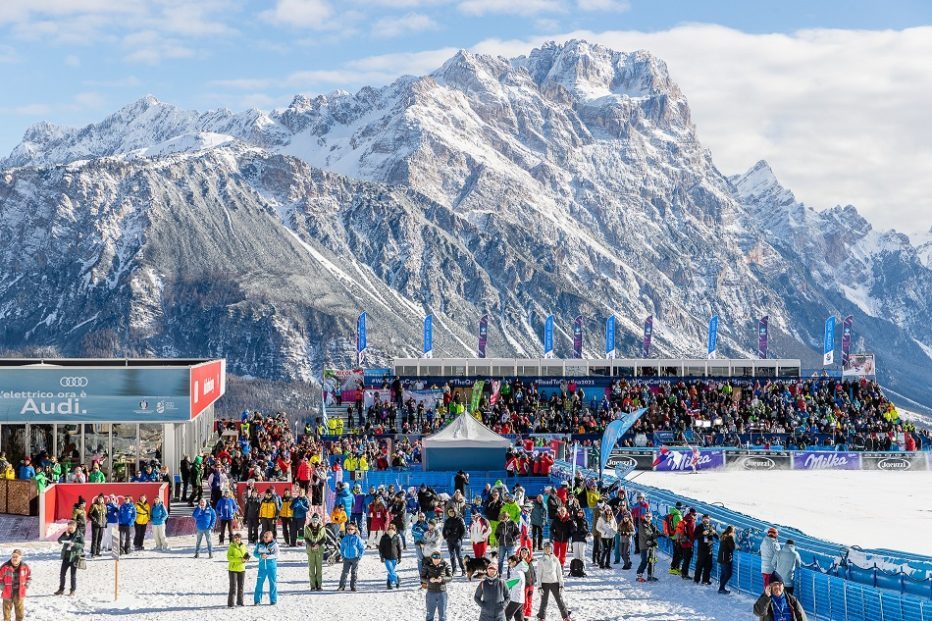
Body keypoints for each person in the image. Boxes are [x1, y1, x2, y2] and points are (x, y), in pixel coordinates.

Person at [536, 541, 570, 621]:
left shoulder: (555, 559)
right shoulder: (541, 560)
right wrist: (539, 586)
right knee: (544, 601)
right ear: (544, 549)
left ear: (551, 549)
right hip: (545, 583)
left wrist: (561, 584)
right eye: (546, 548)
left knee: (559, 600)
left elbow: (559, 573)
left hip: (555, 583)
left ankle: (565, 616)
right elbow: (539, 574)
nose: (547, 550)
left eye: (549, 548)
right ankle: (541, 617)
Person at [421, 550, 452, 621]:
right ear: (431, 558)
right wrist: (429, 580)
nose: (436, 561)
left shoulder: (445, 565)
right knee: (430, 614)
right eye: (434, 559)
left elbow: (450, 577)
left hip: (442, 592)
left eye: (438, 559)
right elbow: (422, 577)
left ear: (440, 558)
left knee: (442, 614)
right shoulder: (427, 565)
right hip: (431, 592)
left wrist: (442, 579)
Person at [55, 520, 83, 596]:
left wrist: (75, 544)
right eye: (69, 527)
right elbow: (59, 541)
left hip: (74, 557)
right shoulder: (66, 533)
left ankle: (72, 590)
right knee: (62, 574)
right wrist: (65, 535)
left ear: (75, 527)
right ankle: (61, 589)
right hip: (66, 557)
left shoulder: (79, 535)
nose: (70, 529)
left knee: (73, 575)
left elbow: (82, 545)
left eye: (71, 528)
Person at [0, 549, 30, 621]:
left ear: (20, 558)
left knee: (20, 613)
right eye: (13, 556)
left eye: (16, 557)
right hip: (7, 593)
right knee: (6, 614)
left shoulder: (25, 567)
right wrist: (2, 587)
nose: (14, 558)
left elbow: (28, 577)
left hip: (19, 593)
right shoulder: (5, 567)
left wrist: (26, 585)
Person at [338, 522, 366, 591]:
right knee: (344, 573)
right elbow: (342, 548)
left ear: (354, 530)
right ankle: (341, 586)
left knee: (354, 573)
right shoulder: (345, 538)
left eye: (351, 529)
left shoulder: (357, 538)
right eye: (348, 529)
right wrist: (343, 556)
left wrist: (359, 556)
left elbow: (361, 548)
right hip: (346, 558)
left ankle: (353, 586)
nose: (350, 530)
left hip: (355, 558)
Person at [254, 530, 279, 605]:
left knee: (273, 583)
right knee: (259, 584)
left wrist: (267, 556)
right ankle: (257, 600)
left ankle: (273, 600)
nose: (264, 538)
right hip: (262, 568)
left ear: (271, 537)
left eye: (266, 537)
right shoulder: (259, 544)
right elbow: (255, 553)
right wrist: (260, 556)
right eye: (264, 536)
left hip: (271, 567)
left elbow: (277, 555)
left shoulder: (274, 545)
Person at [693, 514, 719, 585]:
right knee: (699, 565)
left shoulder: (710, 527)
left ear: (709, 520)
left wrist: (715, 533)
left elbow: (717, 537)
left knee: (708, 566)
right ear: (702, 520)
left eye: (707, 519)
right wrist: (702, 533)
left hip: (709, 550)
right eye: (704, 519)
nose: (706, 520)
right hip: (702, 550)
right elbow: (694, 536)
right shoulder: (699, 527)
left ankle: (705, 580)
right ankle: (696, 579)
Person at [304, 513, 327, 590]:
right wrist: (311, 544)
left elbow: (324, 538)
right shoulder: (307, 528)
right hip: (311, 550)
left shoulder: (322, 528)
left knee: (319, 568)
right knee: (311, 568)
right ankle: (313, 585)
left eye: (316, 521)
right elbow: (306, 538)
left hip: (319, 550)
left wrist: (318, 544)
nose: (314, 523)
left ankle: (319, 585)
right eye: (313, 521)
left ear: (318, 521)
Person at [227, 533, 249, 607]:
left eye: (238, 538)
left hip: (242, 569)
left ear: (240, 539)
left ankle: (240, 601)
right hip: (233, 569)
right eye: (235, 538)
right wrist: (240, 559)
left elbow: (246, 554)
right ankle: (231, 603)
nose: (237, 539)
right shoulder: (231, 546)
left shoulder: (243, 546)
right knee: (233, 587)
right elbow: (229, 558)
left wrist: (246, 559)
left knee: (241, 587)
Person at [442, 507, 466, 576]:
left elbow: (463, 530)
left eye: (452, 511)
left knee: (459, 555)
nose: (451, 513)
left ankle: (463, 569)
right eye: (449, 512)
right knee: (452, 556)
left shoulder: (459, 519)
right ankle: (454, 569)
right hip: (449, 541)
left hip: (457, 540)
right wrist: (445, 536)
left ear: (455, 512)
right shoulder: (447, 520)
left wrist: (460, 538)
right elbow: (444, 530)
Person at [635, 511, 659, 583]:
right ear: (644, 517)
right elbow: (646, 534)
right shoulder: (642, 525)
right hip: (644, 546)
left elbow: (656, 531)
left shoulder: (651, 525)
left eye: (649, 517)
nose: (648, 518)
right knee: (644, 561)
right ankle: (639, 576)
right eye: (647, 517)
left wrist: (662, 534)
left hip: (651, 546)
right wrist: (654, 536)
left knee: (652, 561)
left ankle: (650, 575)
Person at [379, 524, 403, 589]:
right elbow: (381, 548)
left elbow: (399, 548)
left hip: (394, 557)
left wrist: (399, 557)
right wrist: (381, 557)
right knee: (391, 570)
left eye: (392, 528)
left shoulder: (396, 537)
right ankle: (397, 579)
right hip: (387, 557)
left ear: (394, 529)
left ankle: (389, 584)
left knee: (391, 571)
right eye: (390, 528)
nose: (391, 529)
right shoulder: (384, 537)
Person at [674, 509, 696, 579]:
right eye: (695, 515)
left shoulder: (684, 519)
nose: (695, 516)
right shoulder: (691, 521)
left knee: (684, 558)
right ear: (692, 514)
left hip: (682, 542)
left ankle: (683, 572)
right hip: (688, 543)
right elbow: (692, 533)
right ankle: (685, 574)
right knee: (687, 559)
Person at [504, 555, 527, 621]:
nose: (508, 565)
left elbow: (510, 583)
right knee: (519, 618)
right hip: (519, 599)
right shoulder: (518, 570)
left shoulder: (517, 572)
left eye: (509, 563)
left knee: (505, 616)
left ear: (514, 562)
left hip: (516, 599)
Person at [665, 502, 683, 574]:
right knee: (679, 554)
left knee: (676, 553)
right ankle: (675, 568)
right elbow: (680, 528)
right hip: (677, 537)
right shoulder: (678, 516)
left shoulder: (672, 513)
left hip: (673, 537)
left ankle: (674, 568)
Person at [518, 546, 536, 619]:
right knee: (525, 600)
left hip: (531, 584)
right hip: (524, 585)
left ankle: (529, 612)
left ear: (528, 553)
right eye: (522, 553)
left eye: (525, 553)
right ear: (520, 554)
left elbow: (533, 572)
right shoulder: (519, 562)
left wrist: (534, 580)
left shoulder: (530, 561)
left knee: (530, 599)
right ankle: (524, 613)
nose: (524, 554)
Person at [718, 525, 736, 594]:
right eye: (734, 531)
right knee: (728, 574)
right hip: (726, 558)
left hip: (721, 558)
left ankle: (721, 587)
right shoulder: (729, 537)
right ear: (732, 531)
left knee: (723, 573)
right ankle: (721, 588)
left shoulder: (724, 536)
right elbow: (732, 547)